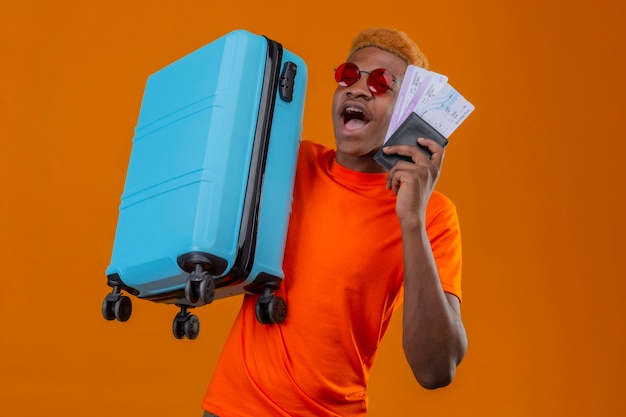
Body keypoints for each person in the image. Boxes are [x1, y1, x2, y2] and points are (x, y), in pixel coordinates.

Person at [202, 27, 468, 417]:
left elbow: (435, 369)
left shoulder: (433, 214)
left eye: (381, 83)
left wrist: (410, 218)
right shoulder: (291, 161)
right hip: (233, 406)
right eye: (348, 75)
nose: (358, 89)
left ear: (410, 115)